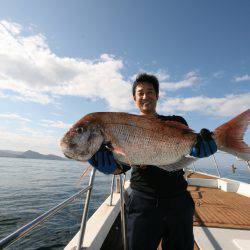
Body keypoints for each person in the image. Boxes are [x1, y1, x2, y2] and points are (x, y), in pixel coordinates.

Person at [88, 73, 217, 250]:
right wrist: (110, 168)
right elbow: (121, 168)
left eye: (150, 92)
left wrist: (198, 150)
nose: (145, 96)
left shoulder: (176, 121)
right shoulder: (123, 129)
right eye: (140, 93)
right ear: (134, 98)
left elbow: (186, 153)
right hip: (142, 202)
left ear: (157, 96)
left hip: (178, 200)